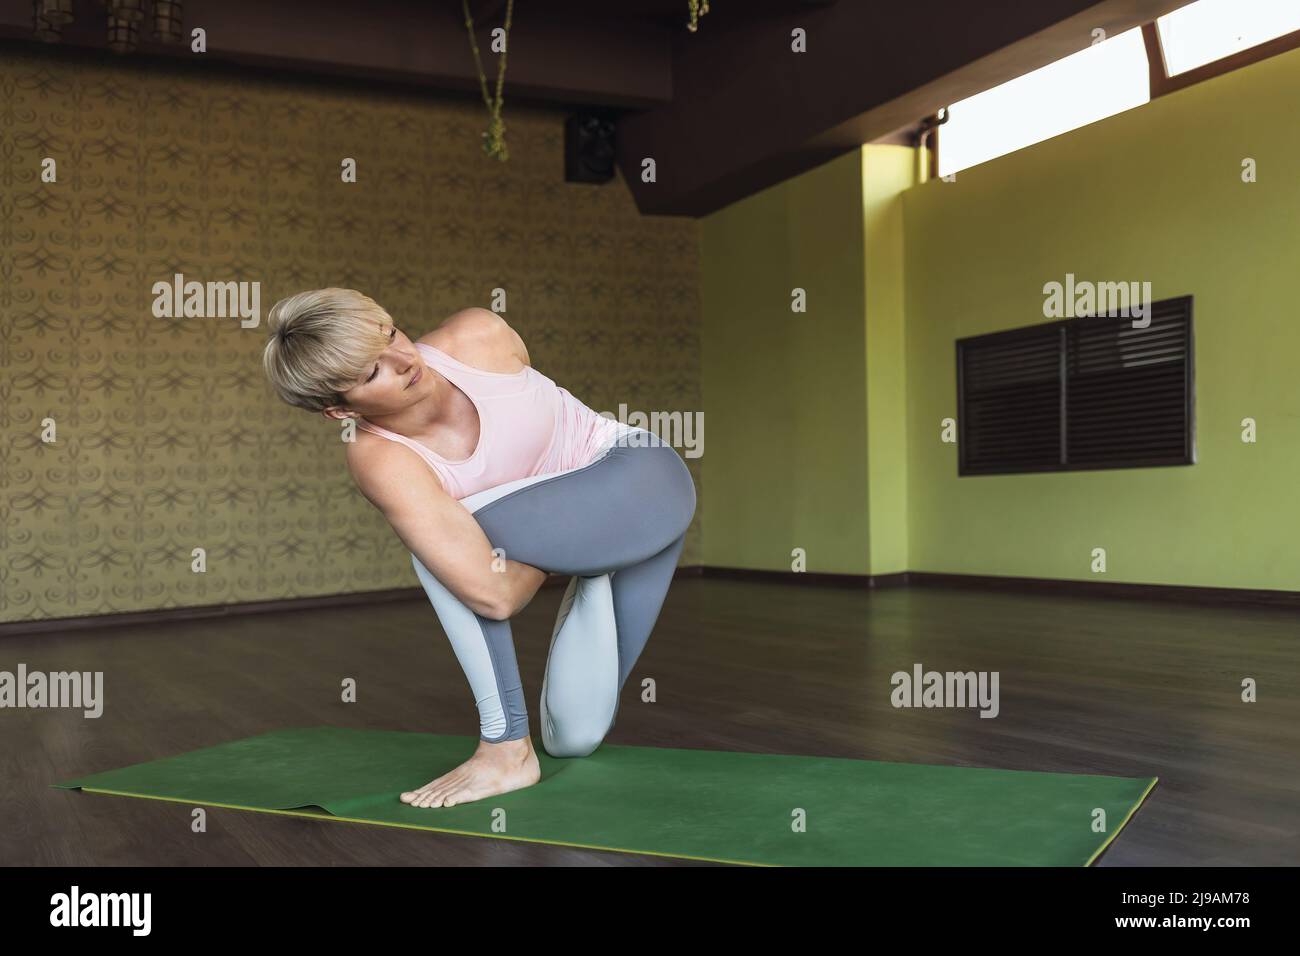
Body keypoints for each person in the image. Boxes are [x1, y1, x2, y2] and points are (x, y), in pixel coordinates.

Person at [261, 289, 696, 807]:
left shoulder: (477, 335)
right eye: (371, 372)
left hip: (643, 481)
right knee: (573, 739)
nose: (405, 360)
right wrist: (573, 542)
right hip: (606, 540)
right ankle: (592, 570)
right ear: (338, 411)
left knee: (446, 544)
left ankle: (504, 744)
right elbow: (496, 599)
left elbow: (493, 576)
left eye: (391, 333)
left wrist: (540, 541)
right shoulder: (382, 459)